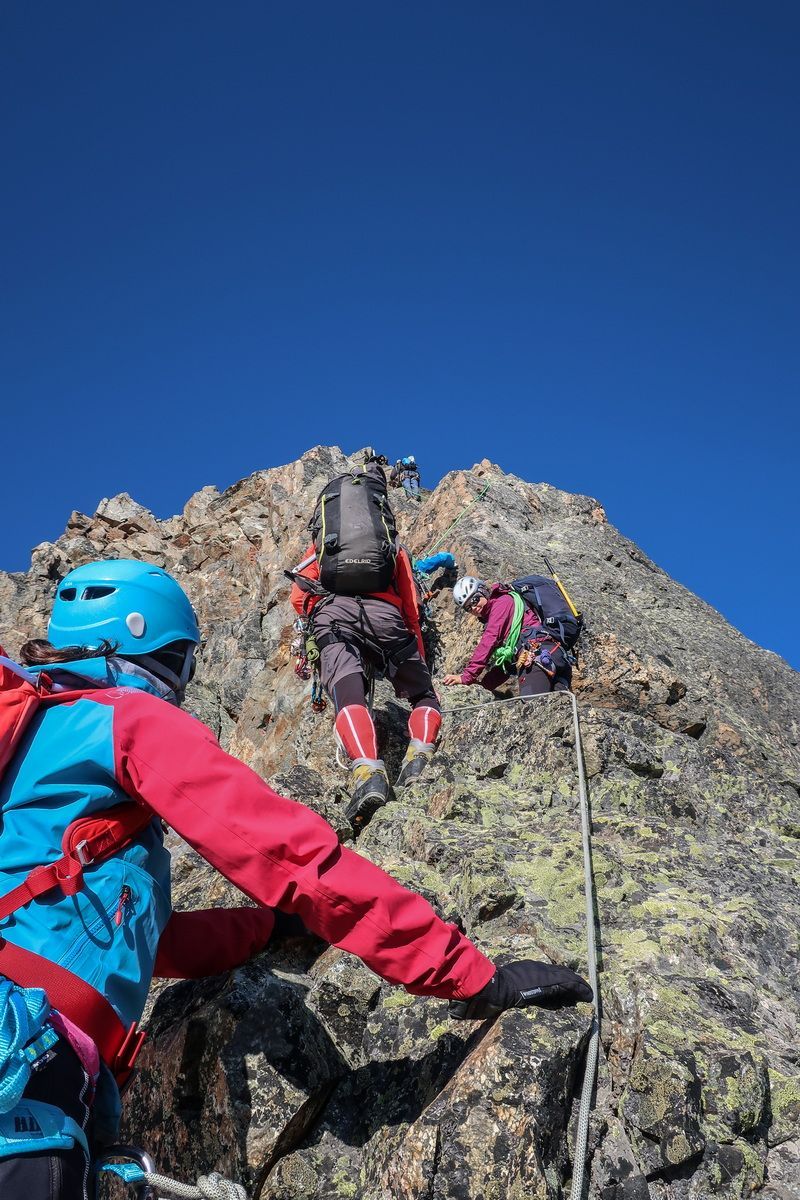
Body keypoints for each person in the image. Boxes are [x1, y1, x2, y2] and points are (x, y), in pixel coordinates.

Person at [0, 558, 591, 1198]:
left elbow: (140, 939)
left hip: (42, 1070)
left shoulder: (41, 743)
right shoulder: (124, 719)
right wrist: (472, 975)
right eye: (182, 662)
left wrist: (266, 930)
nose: (183, 684)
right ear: (143, 642)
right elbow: (292, 857)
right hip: (24, 1074)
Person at [290, 455, 439, 826]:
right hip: (387, 617)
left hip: (333, 617)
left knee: (348, 696)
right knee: (424, 696)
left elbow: (297, 594)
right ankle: (418, 757)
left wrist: (315, 633)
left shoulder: (327, 540)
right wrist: (414, 652)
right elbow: (411, 603)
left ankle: (369, 773)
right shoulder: (392, 544)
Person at [443, 575, 573, 697]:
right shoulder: (505, 618)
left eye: (475, 600)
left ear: (483, 591)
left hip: (536, 656)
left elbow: (489, 640)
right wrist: (484, 687)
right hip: (554, 657)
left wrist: (466, 677)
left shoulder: (501, 603)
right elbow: (507, 666)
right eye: (468, 607)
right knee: (560, 712)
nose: (474, 607)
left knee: (533, 706)